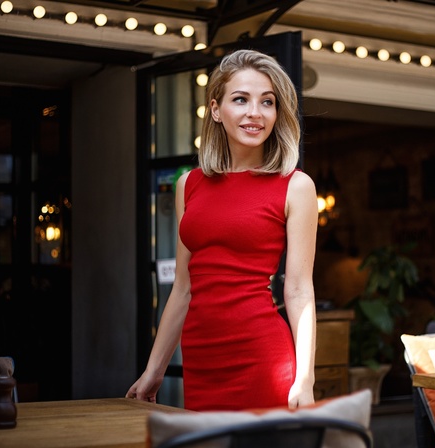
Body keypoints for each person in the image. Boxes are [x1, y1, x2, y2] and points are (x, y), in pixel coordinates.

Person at [126, 49, 318, 411]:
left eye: (267, 102)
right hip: (202, 359)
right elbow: (183, 288)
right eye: (241, 99)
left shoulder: (296, 186)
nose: (255, 113)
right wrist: (155, 369)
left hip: (262, 358)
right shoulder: (189, 184)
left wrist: (304, 378)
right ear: (216, 109)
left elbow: (298, 290)